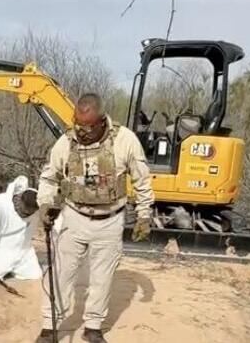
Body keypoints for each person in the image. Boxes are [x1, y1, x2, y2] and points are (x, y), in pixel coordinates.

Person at [36, 93, 154, 343]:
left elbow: (142, 180)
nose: (82, 131)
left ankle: (93, 327)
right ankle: (50, 325)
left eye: (88, 127)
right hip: (74, 217)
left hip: (110, 220)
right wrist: (45, 204)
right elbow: (48, 177)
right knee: (61, 273)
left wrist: (144, 214)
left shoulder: (125, 140)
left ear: (102, 121)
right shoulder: (66, 142)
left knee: (102, 276)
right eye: (77, 125)